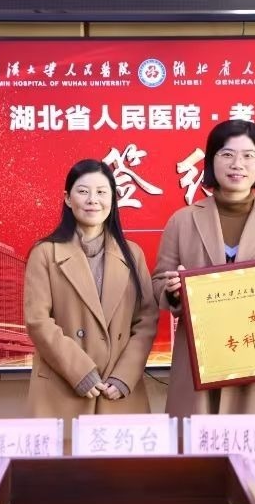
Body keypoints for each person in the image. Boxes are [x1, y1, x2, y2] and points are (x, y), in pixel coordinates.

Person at [153, 120, 255, 419]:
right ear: (211, 161)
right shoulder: (182, 220)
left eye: (248, 156)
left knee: (250, 445)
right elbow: (157, 282)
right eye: (227, 154)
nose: (237, 164)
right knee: (195, 445)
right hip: (198, 358)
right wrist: (172, 290)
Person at [25, 159, 158, 432]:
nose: (93, 200)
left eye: (101, 192)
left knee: (120, 460)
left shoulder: (132, 254)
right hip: (62, 386)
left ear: (113, 198)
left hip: (117, 390)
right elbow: (38, 321)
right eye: (83, 191)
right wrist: (80, 371)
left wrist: (124, 377)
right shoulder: (45, 253)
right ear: (67, 198)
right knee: (64, 460)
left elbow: (146, 321)